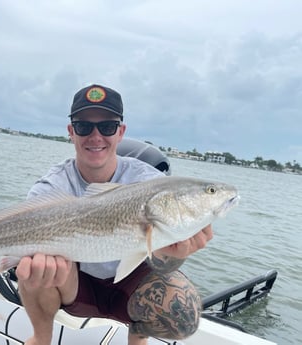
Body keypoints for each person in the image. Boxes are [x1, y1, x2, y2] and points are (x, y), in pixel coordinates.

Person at [15, 84, 213, 345]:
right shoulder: (52, 187)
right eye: (84, 127)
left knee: (184, 314)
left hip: (129, 285)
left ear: (121, 132)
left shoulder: (149, 182)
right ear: (71, 132)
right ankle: (41, 339)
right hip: (73, 284)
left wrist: (174, 254)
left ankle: (137, 339)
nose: (96, 136)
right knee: (34, 269)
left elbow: (160, 265)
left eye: (107, 126)